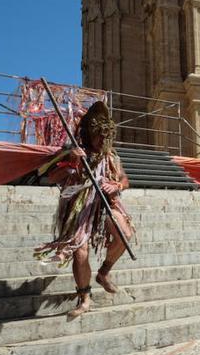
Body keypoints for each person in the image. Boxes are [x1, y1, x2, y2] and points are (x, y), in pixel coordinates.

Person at [33, 102, 135, 317]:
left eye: (106, 137)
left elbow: (125, 179)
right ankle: (84, 297)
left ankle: (104, 272)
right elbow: (51, 177)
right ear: (90, 134)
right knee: (80, 251)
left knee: (125, 234)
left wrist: (117, 185)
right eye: (99, 136)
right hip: (80, 207)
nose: (103, 141)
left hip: (107, 203)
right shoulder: (73, 152)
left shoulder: (112, 156)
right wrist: (72, 164)